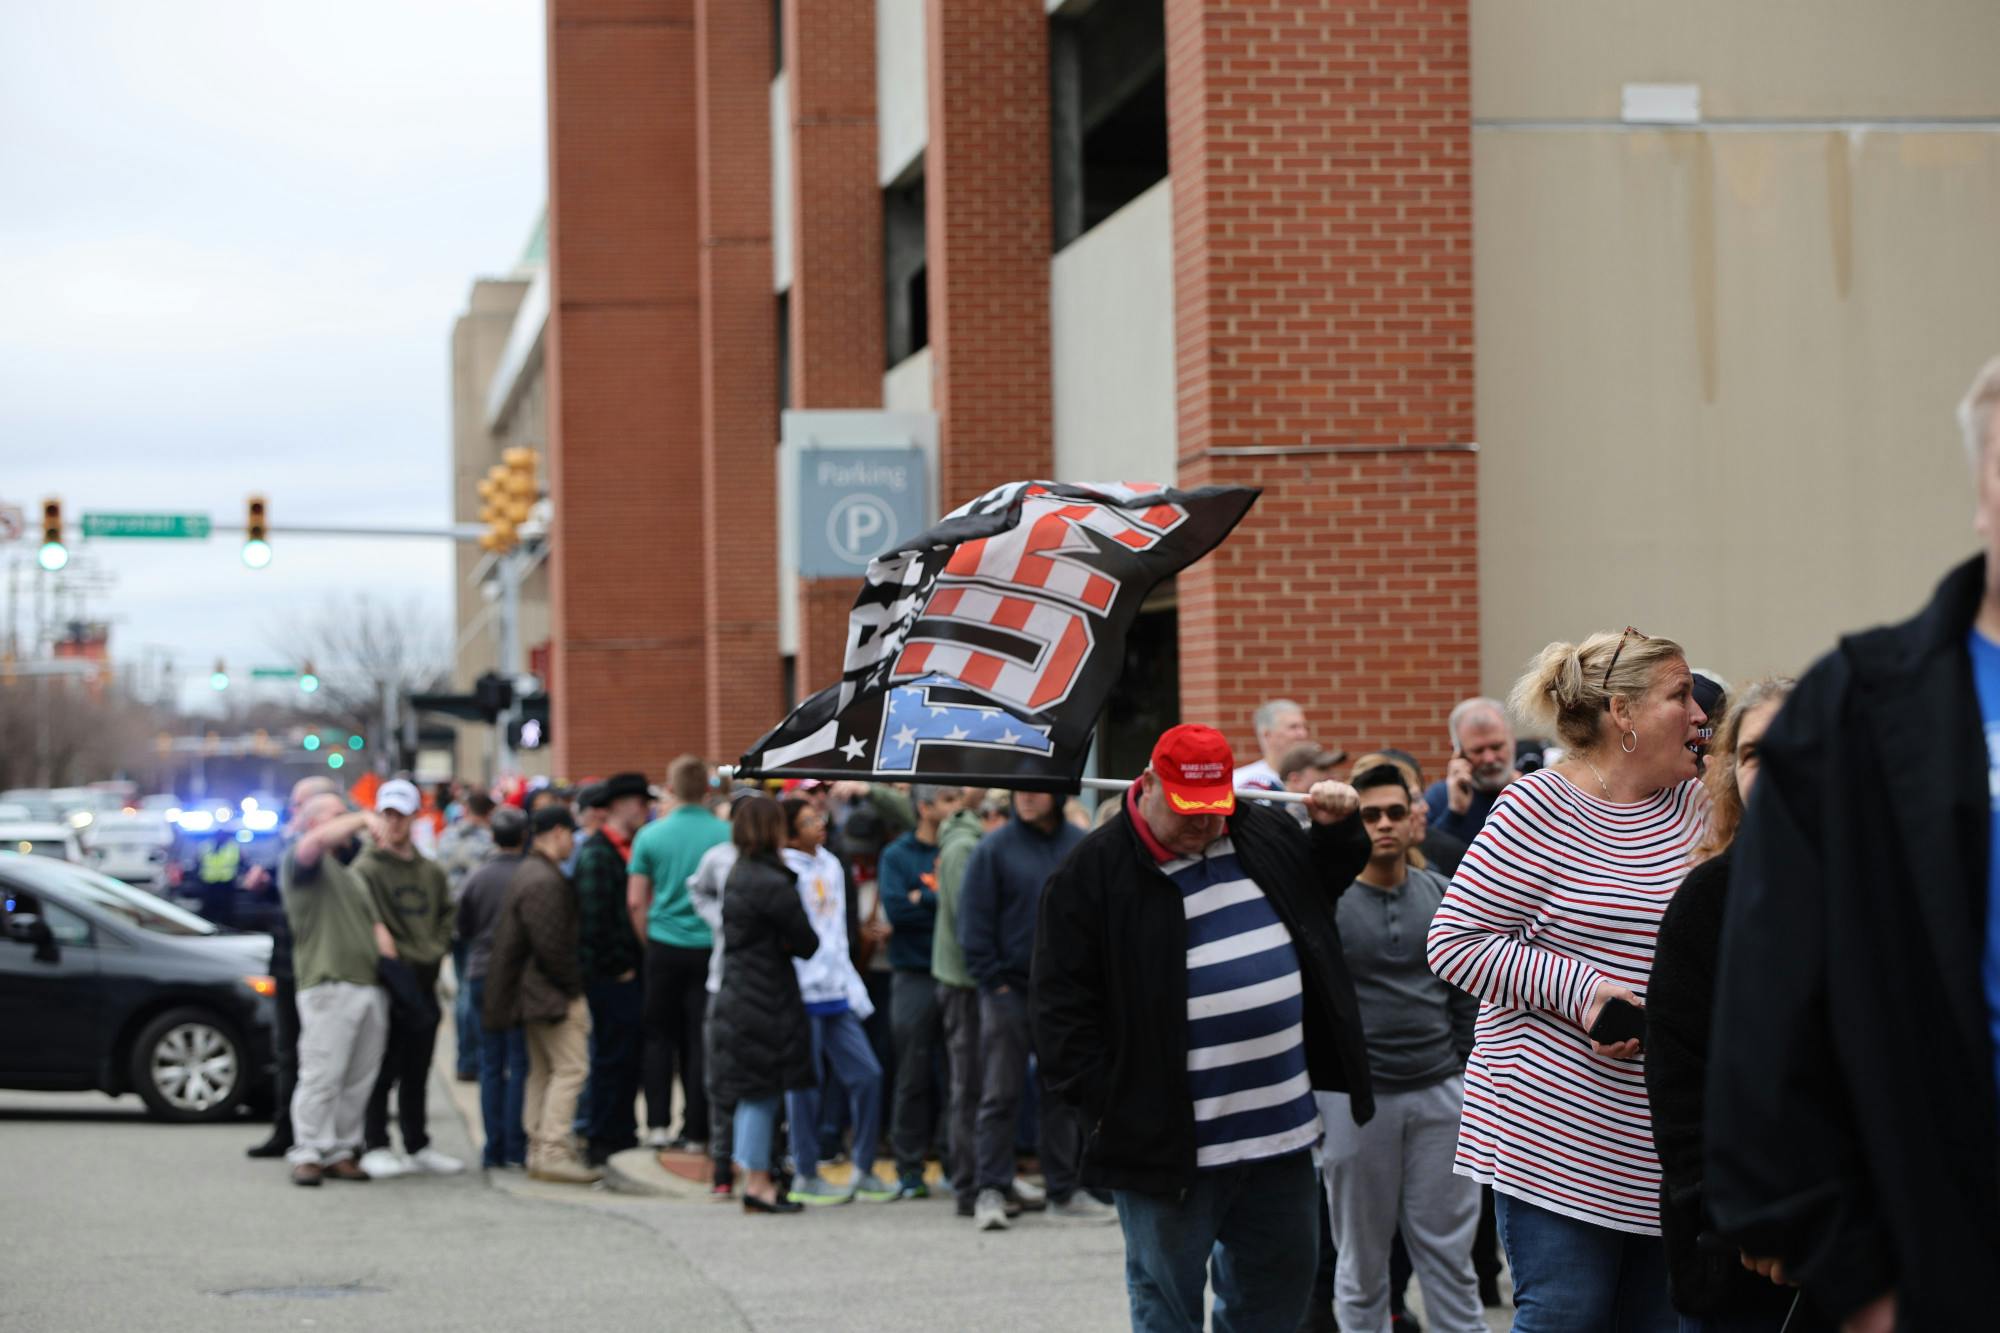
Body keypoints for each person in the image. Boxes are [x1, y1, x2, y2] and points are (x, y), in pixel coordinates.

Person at [1704, 353, 2000, 1333]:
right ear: (1979, 494)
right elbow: (1768, 1006)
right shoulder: (1859, 712)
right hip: (1945, 1237)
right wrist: (1860, 1284)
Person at [1033, 723, 1372, 1330]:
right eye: (1188, 812)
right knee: (1166, 1302)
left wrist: (1339, 829)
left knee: (1276, 1293)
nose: (1204, 825)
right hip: (1167, 1148)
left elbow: (1322, 888)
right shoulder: (1092, 874)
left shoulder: (1255, 827)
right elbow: (1060, 1016)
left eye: (1215, 809)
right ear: (1149, 786)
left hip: (1280, 1136)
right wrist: (1112, 1108)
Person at [1427, 630, 1708, 1330]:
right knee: (1567, 1316)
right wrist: (1584, 992)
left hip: (1661, 1135)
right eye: (1680, 695)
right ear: (1624, 712)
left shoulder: (1699, 806)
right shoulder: (1537, 808)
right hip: (1554, 1132)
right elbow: (1454, 942)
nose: (1702, 714)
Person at [1644, 680, 1812, 1332]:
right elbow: (1681, 1090)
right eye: (1752, 754)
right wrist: (1746, 1218)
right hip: (1745, 1260)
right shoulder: (1708, 902)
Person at [1321, 763, 1483, 1333]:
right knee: (1361, 1264)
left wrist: (1462, 1074)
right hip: (1354, 1103)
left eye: (1395, 811)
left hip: (1441, 1094)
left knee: (1450, 1260)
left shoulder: (1444, 893)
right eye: (1370, 815)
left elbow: (1467, 996)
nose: (1384, 824)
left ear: (1415, 814)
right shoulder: (1329, 903)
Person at [959, 788, 1102, 1230]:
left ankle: (1064, 1188)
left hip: (1064, 993)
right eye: (1019, 791)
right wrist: (994, 983)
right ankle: (991, 1188)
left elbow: (1096, 914)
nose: (1026, 798)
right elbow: (974, 921)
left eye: (1037, 790)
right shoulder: (993, 848)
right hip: (1008, 990)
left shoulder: (1079, 844)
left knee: (1062, 1093)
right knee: (999, 1092)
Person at [778, 796, 896, 1205]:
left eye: (819, 818)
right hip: (801, 992)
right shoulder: (782, 869)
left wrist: (848, 980)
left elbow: (840, 929)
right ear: (791, 831)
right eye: (809, 821)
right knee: (804, 1087)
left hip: (836, 989)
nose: (820, 826)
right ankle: (805, 1170)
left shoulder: (831, 862)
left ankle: (863, 1168)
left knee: (868, 1074)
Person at [706, 796, 820, 1215]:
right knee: (761, 1091)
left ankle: (756, 1177)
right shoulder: (772, 881)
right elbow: (807, 942)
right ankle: (757, 1183)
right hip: (764, 996)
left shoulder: (740, 873)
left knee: (754, 1088)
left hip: (742, 991)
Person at [281, 793, 396, 1187]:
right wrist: (363, 817)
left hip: (367, 984)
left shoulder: (350, 875)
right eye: (337, 815)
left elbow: (376, 928)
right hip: (328, 984)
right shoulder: (303, 862)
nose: (347, 822)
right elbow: (311, 845)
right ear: (315, 822)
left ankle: (343, 1148)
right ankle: (308, 1149)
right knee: (322, 1072)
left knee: (358, 1077)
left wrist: (399, 978)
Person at [353, 779, 462, 1179]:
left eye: (401, 815)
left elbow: (448, 915)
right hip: (387, 980)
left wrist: (434, 948)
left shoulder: (430, 871)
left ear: (415, 816)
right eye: (387, 814)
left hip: (424, 976)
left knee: (418, 1066)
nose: (394, 823)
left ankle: (417, 1143)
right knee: (382, 1065)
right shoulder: (366, 869)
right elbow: (366, 921)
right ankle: (376, 1142)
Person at [484, 804, 599, 1184]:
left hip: (528, 993)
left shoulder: (530, 872)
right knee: (571, 1068)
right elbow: (552, 947)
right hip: (548, 994)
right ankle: (551, 1149)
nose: (574, 843)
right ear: (559, 833)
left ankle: (538, 1146)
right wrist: (573, 990)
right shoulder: (545, 880)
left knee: (542, 1071)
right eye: (571, 834)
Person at [628, 757, 728, 1153]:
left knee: (658, 1036)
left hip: (663, 945)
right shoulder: (726, 833)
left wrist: (649, 940)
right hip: (710, 946)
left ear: (669, 789)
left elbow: (636, 902)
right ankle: (697, 1129)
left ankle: (656, 1124)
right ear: (707, 790)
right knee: (700, 1038)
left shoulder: (650, 836)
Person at [247, 775, 339, 1160]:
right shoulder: (288, 845)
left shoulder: (338, 848)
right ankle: (286, 1129)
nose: (294, 812)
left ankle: (332, 1138)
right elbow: (281, 886)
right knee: (288, 1051)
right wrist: (262, 884)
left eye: (300, 805)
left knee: (328, 1055)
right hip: (288, 963)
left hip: (324, 967)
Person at [878, 784, 962, 1198]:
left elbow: (963, 904)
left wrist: (923, 898)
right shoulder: (897, 855)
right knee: (912, 1074)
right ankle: (909, 1169)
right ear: (925, 807)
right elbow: (896, 909)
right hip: (912, 974)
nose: (955, 808)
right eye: (948, 800)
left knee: (958, 1076)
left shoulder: (962, 846)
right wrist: (938, 898)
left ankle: (954, 1163)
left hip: (954, 974)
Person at [572, 771, 648, 1165]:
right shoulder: (599, 853)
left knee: (624, 1056)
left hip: (625, 973)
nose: (645, 809)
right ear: (618, 805)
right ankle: (603, 1136)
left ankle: (619, 1131)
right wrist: (617, 967)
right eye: (639, 802)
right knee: (610, 1058)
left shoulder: (626, 848)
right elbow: (594, 920)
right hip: (611, 976)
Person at [455, 805, 531, 1171]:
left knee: (490, 1062)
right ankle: (515, 1147)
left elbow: (462, 926)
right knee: (518, 1062)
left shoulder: (478, 877)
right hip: (519, 974)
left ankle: (492, 1148)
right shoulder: (530, 875)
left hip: (482, 971)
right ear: (523, 836)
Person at [931, 786, 990, 1216]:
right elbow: (966, 918)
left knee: (979, 1086)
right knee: (968, 1086)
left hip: (967, 979)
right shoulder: (963, 848)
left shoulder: (964, 843)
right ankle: (969, 1183)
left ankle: (983, 1177)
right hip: (965, 981)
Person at [438, 790, 497, 1082]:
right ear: (487, 813)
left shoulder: (446, 838)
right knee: (472, 994)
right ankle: (474, 1058)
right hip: (479, 925)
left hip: (452, 924)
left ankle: (464, 1058)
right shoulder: (487, 842)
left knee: (462, 988)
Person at [1422, 697, 1518, 844]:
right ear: (1457, 751)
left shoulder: (1537, 791)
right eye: (1478, 751)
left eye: (1497, 747)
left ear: (1512, 740)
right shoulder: (1440, 798)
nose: (1489, 759)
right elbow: (1425, 861)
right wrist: (1455, 812)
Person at [1232, 698, 1312, 790]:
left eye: (1304, 727)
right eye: (1293, 727)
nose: (1302, 734)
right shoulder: (1240, 781)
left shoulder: (1317, 778)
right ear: (1267, 735)